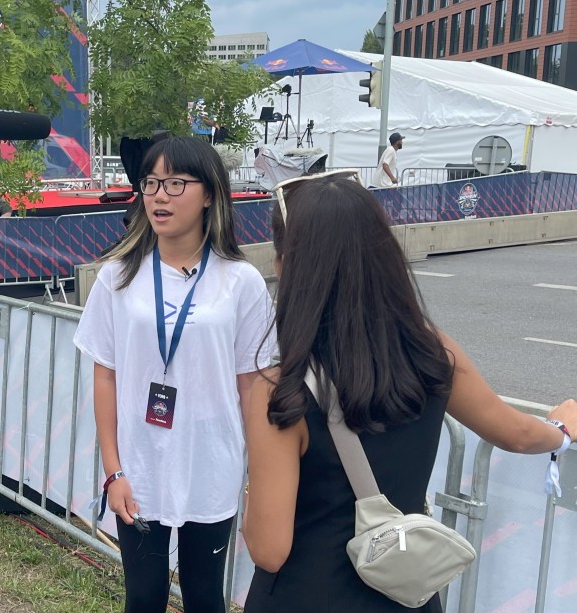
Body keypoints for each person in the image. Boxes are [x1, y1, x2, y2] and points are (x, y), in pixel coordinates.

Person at [241, 170, 577, 612]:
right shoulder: (429, 348)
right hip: (405, 593)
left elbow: (269, 549)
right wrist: (561, 428)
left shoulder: (279, 391)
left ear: (287, 264)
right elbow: (516, 434)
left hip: (305, 594)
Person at [74, 136, 277, 612]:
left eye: (175, 183)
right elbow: (106, 375)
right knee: (143, 597)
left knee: (205, 597)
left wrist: (258, 479)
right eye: (151, 183)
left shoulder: (239, 281)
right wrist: (113, 471)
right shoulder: (118, 276)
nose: (159, 196)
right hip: (138, 468)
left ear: (209, 194)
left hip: (212, 467)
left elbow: (253, 384)